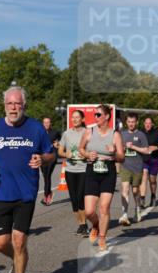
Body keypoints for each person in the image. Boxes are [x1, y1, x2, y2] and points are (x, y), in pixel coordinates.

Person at [0, 85, 55, 273]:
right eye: (10, 103)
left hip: (26, 193)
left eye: (17, 103)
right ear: (4, 105)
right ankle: (17, 260)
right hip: (1, 191)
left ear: (24, 105)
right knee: (0, 243)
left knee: (19, 240)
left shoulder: (36, 128)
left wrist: (42, 159)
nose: (13, 107)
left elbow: (51, 154)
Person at [79, 104, 125, 253]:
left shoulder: (115, 135)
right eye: (95, 114)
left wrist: (114, 153)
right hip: (92, 171)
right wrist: (88, 154)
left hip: (108, 172)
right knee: (89, 212)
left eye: (98, 114)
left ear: (107, 116)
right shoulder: (89, 131)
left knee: (104, 208)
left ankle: (102, 237)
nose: (95, 117)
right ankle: (96, 224)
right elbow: (81, 149)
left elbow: (122, 157)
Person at [57, 108, 89, 236]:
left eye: (77, 117)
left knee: (81, 197)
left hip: (83, 169)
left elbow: (94, 149)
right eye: (73, 117)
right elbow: (60, 151)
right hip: (70, 170)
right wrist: (66, 154)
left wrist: (85, 154)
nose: (74, 119)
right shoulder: (66, 134)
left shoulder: (87, 133)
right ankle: (81, 224)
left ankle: (84, 224)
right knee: (74, 199)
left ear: (82, 119)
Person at [118, 112, 148, 225]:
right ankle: (124, 214)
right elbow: (118, 148)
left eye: (133, 122)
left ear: (137, 122)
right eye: (129, 122)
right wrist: (122, 148)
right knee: (125, 189)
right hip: (125, 166)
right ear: (126, 122)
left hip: (137, 167)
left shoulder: (141, 135)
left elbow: (146, 150)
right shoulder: (122, 134)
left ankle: (137, 209)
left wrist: (133, 147)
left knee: (135, 191)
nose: (131, 124)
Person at [139, 116, 158, 208]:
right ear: (144, 124)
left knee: (152, 180)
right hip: (144, 159)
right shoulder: (140, 133)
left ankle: (153, 196)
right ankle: (142, 199)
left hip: (154, 159)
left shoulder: (157, 133)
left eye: (149, 123)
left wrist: (156, 147)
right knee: (144, 176)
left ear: (152, 124)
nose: (148, 125)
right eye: (146, 123)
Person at [39, 116, 61, 206]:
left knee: (47, 176)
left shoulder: (55, 132)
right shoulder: (39, 133)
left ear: (50, 123)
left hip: (52, 157)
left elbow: (61, 141)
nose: (46, 124)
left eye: (48, 122)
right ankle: (49, 193)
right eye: (45, 122)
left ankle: (46, 196)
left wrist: (58, 143)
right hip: (42, 158)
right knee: (45, 177)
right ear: (42, 124)